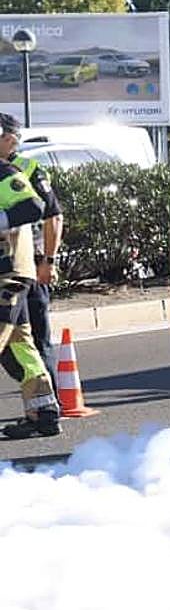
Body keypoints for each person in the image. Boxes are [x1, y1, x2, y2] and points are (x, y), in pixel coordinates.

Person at [0, 118, 60, 438]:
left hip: (7, 274)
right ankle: (44, 411)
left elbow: (34, 206)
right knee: (20, 344)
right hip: (14, 272)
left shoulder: (5, 171)